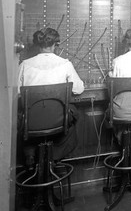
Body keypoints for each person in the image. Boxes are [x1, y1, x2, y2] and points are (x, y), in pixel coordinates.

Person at [17, 27, 85, 169]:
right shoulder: (65, 64)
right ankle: (54, 156)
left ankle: (31, 153)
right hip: (58, 123)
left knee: (21, 118)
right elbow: (79, 89)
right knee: (74, 116)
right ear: (55, 44)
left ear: (37, 44)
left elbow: (16, 92)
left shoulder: (24, 65)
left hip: (31, 123)